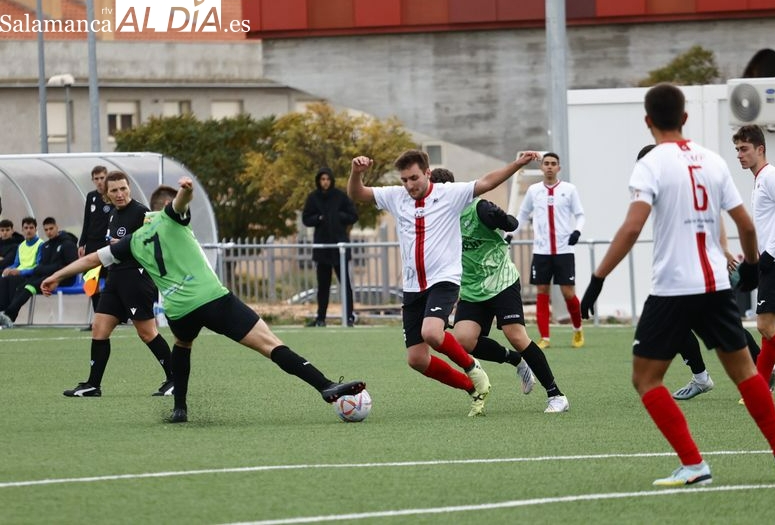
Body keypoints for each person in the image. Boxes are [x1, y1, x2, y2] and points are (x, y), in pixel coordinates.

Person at [580, 82, 775, 486]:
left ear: (648, 122)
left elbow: (631, 228)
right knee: (747, 374)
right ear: (684, 118)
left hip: (674, 287)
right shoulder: (713, 161)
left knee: (645, 379)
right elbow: (746, 225)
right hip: (715, 286)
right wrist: (750, 268)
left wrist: (596, 279)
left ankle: (694, 464)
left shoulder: (651, 163)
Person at [42, 178, 365, 423]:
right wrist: (186, 191)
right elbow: (180, 205)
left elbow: (89, 261)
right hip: (212, 299)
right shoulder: (169, 218)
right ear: (156, 210)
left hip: (179, 310)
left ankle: (180, 407)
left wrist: (56, 276)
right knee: (270, 344)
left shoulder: (131, 243)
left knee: (183, 344)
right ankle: (323, 385)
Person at [348, 149, 539, 417]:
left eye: (414, 177)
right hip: (413, 287)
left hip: (443, 281)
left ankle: (473, 368)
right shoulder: (396, 196)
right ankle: (472, 389)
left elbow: (487, 181)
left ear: (427, 173)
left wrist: (517, 164)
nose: (409, 185)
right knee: (416, 360)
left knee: (432, 333)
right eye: (404, 179)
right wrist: (356, 174)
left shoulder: (449, 194)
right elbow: (358, 194)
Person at [629, 146, 775, 401]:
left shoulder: (681, 183)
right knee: (712, 322)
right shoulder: (666, 186)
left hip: (695, 267)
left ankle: (711, 377)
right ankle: (748, 370)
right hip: (686, 267)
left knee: (687, 323)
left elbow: (721, 216)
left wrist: (724, 251)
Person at [429, 167, 569, 413]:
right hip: (472, 288)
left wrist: (500, 217)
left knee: (515, 335)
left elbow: (512, 224)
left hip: (501, 281)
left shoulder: (477, 208)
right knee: (463, 340)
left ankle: (556, 395)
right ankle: (516, 360)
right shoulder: (436, 220)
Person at [62, 170, 174, 398]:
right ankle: (93, 385)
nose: (120, 193)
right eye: (114, 190)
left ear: (129, 188)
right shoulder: (113, 214)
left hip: (136, 279)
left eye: (123, 188)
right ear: (107, 194)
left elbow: (152, 245)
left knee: (147, 333)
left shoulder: (142, 212)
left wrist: (125, 244)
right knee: (99, 329)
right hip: (115, 279)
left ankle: (175, 379)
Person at [733, 124, 775, 408]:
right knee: (767, 325)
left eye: (744, 149)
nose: (740, 155)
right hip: (771, 258)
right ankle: (758, 388)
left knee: (764, 324)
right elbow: (770, 222)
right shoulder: (759, 179)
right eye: (737, 149)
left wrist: (770, 253)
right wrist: (755, 254)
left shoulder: (772, 177)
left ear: (760, 149)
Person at [512, 152, 586, 349]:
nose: (550, 166)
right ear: (542, 167)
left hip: (564, 250)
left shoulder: (569, 189)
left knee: (568, 292)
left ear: (559, 168)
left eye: (554, 163)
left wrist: (577, 231)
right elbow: (523, 213)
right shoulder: (534, 190)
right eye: (546, 163)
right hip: (541, 251)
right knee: (542, 292)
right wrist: (510, 234)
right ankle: (545, 337)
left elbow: (580, 215)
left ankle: (578, 329)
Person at [301, 167, 359, 327]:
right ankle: (321, 318)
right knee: (323, 286)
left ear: (331, 180)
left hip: (339, 248)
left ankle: (349, 317)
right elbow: (306, 219)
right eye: (322, 179)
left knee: (345, 285)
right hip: (322, 249)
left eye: (327, 179)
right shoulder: (313, 198)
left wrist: (338, 217)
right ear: (319, 181)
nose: (325, 182)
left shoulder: (340, 196)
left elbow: (353, 215)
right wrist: (319, 218)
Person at [0, 217, 78, 327]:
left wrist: (48, 270)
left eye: (51, 228)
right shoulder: (46, 246)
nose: (49, 232)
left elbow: (70, 266)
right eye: (46, 230)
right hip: (48, 276)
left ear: (57, 228)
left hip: (64, 278)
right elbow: (42, 266)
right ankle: (6, 315)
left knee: (28, 285)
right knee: (22, 286)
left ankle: (8, 315)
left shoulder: (67, 244)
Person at [78, 165, 113, 317]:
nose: (99, 181)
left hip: (107, 245)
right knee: (92, 283)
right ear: (93, 180)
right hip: (91, 245)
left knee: (112, 282)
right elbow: (87, 221)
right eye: (96, 178)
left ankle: (113, 315)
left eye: (102, 178)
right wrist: (81, 243)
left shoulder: (112, 196)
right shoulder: (91, 196)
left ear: (107, 178)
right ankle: (98, 316)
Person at [0, 217, 43, 312]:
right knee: (3, 279)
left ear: (36, 229)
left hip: (30, 276)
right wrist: (8, 269)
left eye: (31, 228)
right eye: (26, 228)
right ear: (22, 230)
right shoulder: (21, 246)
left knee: (12, 279)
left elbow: (39, 267)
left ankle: (10, 313)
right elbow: (16, 264)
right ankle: (2, 311)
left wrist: (20, 272)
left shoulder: (41, 244)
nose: (28, 230)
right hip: (18, 274)